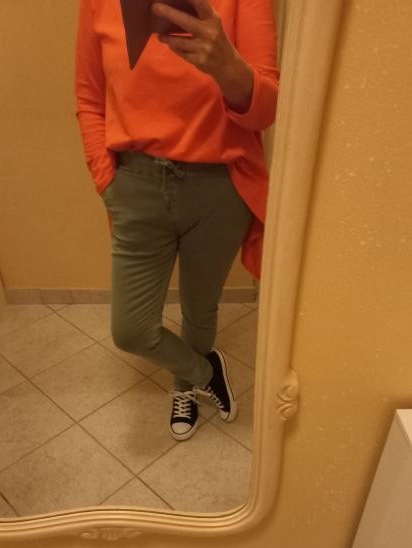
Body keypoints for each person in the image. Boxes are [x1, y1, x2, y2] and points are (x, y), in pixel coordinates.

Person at [75, 0, 279, 441]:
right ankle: (205, 372)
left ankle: (185, 386)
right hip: (136, 185)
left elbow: (266, 111)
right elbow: (89, 98)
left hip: (219, 187)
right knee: (131, 330)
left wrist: (228, 67)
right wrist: (107, 181)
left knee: (200, 308)